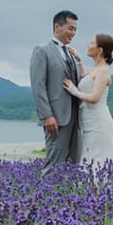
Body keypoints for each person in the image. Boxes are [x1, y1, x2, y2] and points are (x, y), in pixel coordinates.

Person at [30, 10, 80, 173]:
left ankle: (67, 198)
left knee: (73, 164)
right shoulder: (42, 50)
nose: (73, 33)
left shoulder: (71, 54)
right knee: (53, 166)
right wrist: (46, 115)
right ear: (57, 26)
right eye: (70, 28)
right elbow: (38, 85)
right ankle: (44, 197)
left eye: (75, 30)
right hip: (56, 119)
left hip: (75, 118)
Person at [63, 33, 113, 167]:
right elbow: (86, 80)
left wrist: (73, 90)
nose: (88, 45)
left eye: (92, 43)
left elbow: (94, 98)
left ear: (100, 50)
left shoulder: (103, 71)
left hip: (99, 123)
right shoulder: (96, 69)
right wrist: (79, 61)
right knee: (89, 159)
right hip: (89, 122)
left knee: (99, 160)